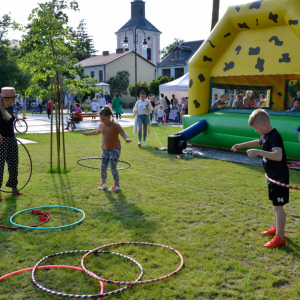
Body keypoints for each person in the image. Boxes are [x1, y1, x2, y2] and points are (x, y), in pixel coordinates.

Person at [231, 109, 289, 248]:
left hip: (279, 178)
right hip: (272, 176)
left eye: (256, 128)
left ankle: (280, 238)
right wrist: (242, 145)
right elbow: (258, 142)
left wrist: (258, 153)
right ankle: (276, 228)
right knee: (274, 204)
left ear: (263, 125)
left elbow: (278, 156)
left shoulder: (275, 136)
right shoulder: (265, 136)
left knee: (278, 207)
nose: (255, 130)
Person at [81, 106, 132, 192]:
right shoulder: (101, 125)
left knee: (112, 166)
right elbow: (96, 132)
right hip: (105, 149)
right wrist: (87, 134)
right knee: (103, 167)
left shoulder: (116, 125)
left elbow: (123, 132)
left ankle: (117, 185)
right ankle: (103, 183)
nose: (102, 121)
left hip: (115, 149)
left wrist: (126, 138)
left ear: (109, 117)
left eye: (104, 119)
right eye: (101, 119)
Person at [0, 87, 24, 202]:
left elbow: (7, 119)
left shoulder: (9, 107)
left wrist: (14, 117)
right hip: (1, 140)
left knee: (14, 164)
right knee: (0, 167)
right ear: (6, 98)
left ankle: (14, 188)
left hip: (11, 138)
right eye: (13, 99)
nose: (14, 101)